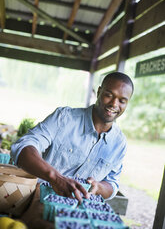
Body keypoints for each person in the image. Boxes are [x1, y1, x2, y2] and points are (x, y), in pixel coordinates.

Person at [11, 71, 134, 203]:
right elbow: (23, 147)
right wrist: (56, 178)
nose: (114, 104)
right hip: (36, 202)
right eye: (109, 95)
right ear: (99, 92)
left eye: (122, 101)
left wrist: (99, 187)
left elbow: (112, 184)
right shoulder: (64, 118)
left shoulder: (119, 143)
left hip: (76, 212)